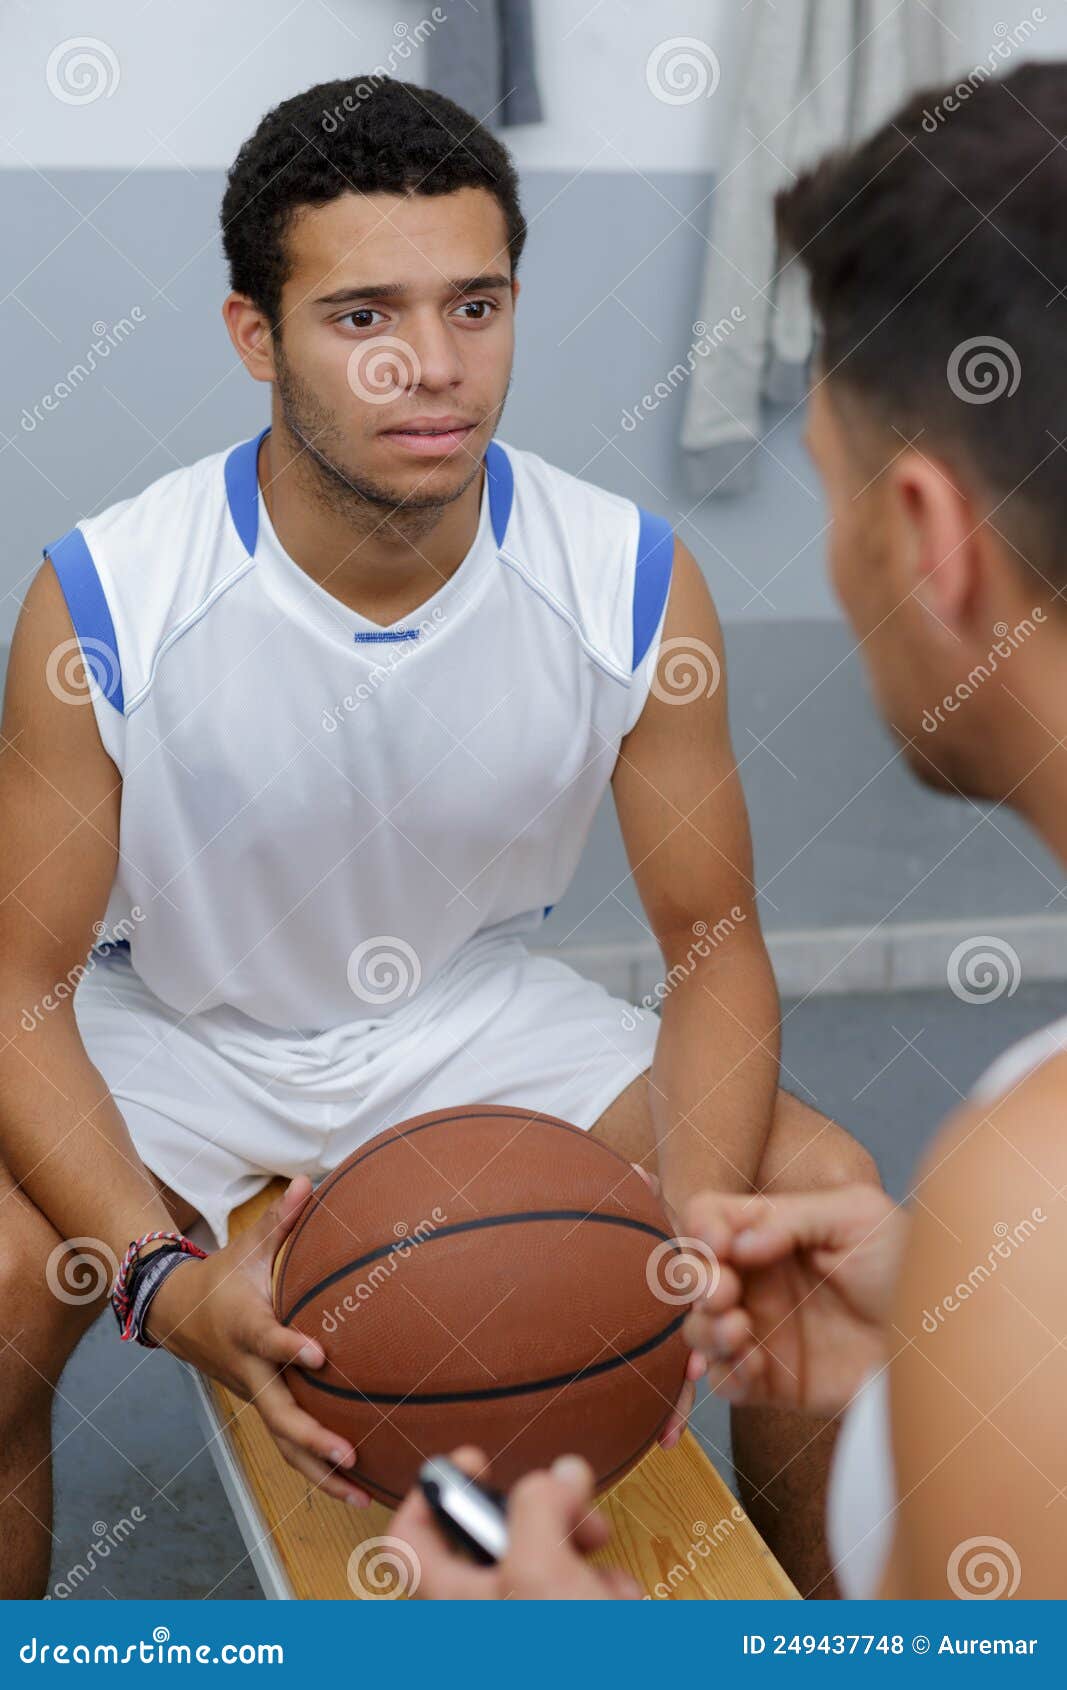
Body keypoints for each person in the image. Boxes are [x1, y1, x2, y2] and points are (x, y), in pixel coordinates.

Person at [0, 75, 874, 1599]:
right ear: (254, 335)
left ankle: (796, 1649)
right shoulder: (105, 603)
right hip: (181, 1033)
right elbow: (22, 988)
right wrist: (163, 1287)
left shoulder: (628, 583)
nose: (435, 365)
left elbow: (713, 949)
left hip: (465, 1015)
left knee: (802, 1220)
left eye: (477, 305)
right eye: (363, 317)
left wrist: (693, 1237)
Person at [392, 59, 1067, 1601]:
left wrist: (588, 1651)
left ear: (928, 536)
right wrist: (942, 1329)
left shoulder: (1034, 1184)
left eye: (829, 492)